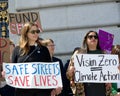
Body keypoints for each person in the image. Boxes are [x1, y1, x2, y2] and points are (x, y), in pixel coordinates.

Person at [2, 22, 62, 96]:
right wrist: (7, 74)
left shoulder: (44, 49)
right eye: (33, 32)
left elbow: (50, 71)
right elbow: (13, 70)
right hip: (23, 92)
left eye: (37, 31)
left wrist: (55, 86)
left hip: (42, 92)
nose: (36, 34)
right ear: (25, 33)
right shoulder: (17, 50)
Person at [66, 30, 113, 96]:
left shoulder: (104, 53)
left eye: (95, 37)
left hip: (102, 89)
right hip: (84, 90)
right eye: (90, 37)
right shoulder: (78, 53)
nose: (93, 38)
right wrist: (70, 71)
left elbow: (111, 71)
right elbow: (68, 75)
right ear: (86, 40)